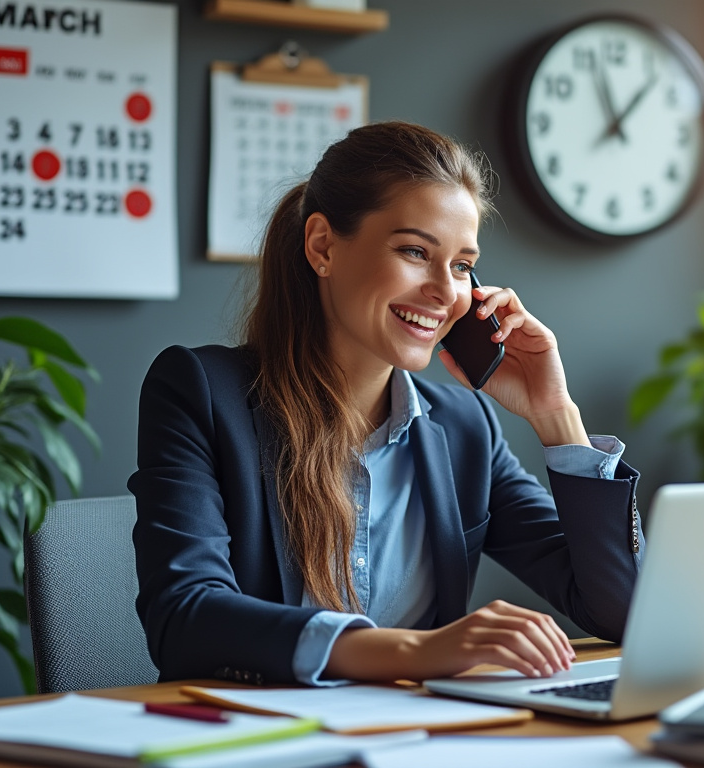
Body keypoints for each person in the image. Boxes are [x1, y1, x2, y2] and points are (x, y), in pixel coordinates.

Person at [129, 121, 644, 687]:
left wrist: (556, 415)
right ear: (322, 245)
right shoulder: (201, 392)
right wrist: (414, 652)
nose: (446, 293)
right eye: (415, 251)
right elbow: (184, 616)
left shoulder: (465, 429)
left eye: (462, 265)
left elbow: (620, 611)